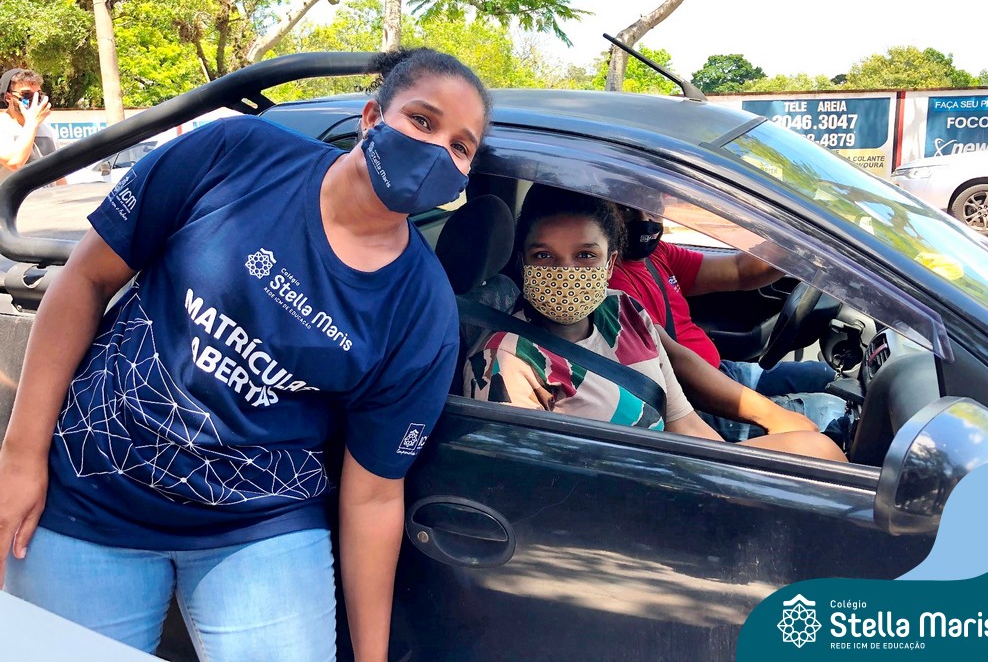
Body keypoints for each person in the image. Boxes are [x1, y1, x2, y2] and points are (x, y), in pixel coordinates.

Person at [0, 48, 489, 662]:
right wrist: (20, 456)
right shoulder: (235, 154)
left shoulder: (423, 310)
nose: (437, 149)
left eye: (460, 146)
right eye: (422, 120)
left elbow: (374, 495)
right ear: (372, 117)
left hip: (258, 527)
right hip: (92, 488)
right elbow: (85, 279)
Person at [464, 185, 846, 462]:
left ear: (609, 263)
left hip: (676, 465)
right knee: (832, 422)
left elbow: (686, 425)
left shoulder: (626, 313)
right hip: (625, 500)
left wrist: (730, 472)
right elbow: (530, 482)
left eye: (585, 255)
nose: (566, 272)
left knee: (818, 448)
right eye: (544, 256)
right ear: (524, 262)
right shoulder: (507, 360)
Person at [609, 204, 847, 442]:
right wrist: (774, 417)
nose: (644, 219)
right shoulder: (612, 284)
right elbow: (674, 361)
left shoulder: (655, 256)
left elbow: (739, 270)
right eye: (627, 210)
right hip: (694, 404)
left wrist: (799, 241)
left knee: (825, 375)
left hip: (721, 372)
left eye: (651, 207)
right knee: (832, 412)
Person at [0, 68, 56, 181]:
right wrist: (32, 123)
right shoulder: (3, 126)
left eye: (38, 95)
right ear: (8, 97)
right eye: (26, 94)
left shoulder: (47, 130)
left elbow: (57, 173)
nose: (34, 100)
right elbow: (14, 162)